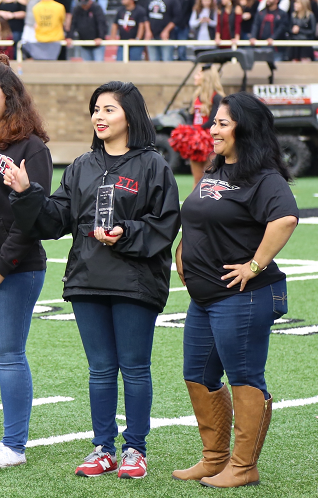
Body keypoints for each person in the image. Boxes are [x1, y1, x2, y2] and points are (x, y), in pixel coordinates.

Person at [4, 80, 181, 479]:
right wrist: (26, 192)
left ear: (130, 116)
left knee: (134, 368)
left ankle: (135, 449)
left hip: (136, 281)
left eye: (108, 109)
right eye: (96, 109)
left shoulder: (154, 165)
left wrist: (126, 233)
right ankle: (103, 447)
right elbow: (53, 221)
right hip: (87, 280)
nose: (99, 117)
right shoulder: (82, 166)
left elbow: (165, 223)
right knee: (100, 369)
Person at [172, 92, 298, 488]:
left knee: (244, 377)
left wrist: (255, 265)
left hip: (244, 296)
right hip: (205, 298)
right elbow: (199, 218)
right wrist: (182, 254)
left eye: (222, 124)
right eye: (214, 123)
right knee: (198, 374)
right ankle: (214, 460)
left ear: (246, 128)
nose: (212, 131)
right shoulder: (217, 170)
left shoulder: (264, 177)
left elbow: (285, 219)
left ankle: (243, 467)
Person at [0, 54, 52, 468]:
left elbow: (30, 216)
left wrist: (1, 265)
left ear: (10, 96)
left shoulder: (31, 147)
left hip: (17, 267)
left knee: (8, 352)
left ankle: (13, 446)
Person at [169, 64, 224, 187]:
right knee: (197, 179)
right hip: (196, 142)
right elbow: (190, 117)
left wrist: (198, 130)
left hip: (210, 141)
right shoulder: (196, 96)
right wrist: (190, 131)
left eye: (198, 74)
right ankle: (194, 204)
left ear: (206, 77)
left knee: (210, 179)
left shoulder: (217, 98)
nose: (195, 77)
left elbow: (214, 120)